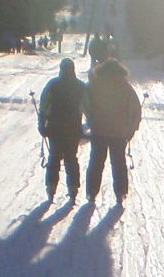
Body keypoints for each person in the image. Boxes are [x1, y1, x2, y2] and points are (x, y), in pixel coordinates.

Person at [84, 56, 142, 204]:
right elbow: (135, 109)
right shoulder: (125, 86)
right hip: (119, 132)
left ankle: (91, 192)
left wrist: (91, 119)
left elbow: (85, 103)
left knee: (96, 163)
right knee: (119, 163)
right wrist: (131, 130)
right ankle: (121, 193)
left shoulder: (94, 84)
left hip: (99, 130)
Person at [38, 57, 86, 204]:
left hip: (54, 128)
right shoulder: (80, 86)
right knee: (71, 158)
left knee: (54, 157)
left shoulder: (53, 85)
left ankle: (51, 188)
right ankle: (73, 189)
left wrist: (42, 124)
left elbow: (44, 106)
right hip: (73, 128)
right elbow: (88, 107)